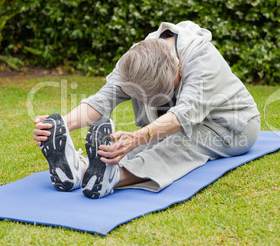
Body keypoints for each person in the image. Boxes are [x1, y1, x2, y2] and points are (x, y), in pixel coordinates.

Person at [33, 21, 260, 199]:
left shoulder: (203, 62)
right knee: (145, 140)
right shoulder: (137, 57)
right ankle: (79, 170)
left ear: (179, 66)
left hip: (232, 125)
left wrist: (138, 137)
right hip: (173, 122)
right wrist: (61, 124)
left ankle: (113, 178)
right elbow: (103, 99)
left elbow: (182, 116)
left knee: (181, 142)